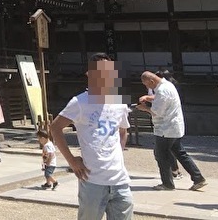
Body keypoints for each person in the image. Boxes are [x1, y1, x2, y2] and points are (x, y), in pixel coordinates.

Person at [49, 53, 133, 220]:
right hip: (92, 179)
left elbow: (123, 130)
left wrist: (117, 154)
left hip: (120, 179)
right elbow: (55, 127)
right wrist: (72, 161)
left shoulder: (119, 102)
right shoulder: (80, 102)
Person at [137, 70, 206, 191]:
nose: (147, 87)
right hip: (174, 127)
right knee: (180, 152)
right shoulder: (168, 85)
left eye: (147, 84)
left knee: (161, 155)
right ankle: (198, 177)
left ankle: (167, 184)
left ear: (152, 81)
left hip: (165, 129)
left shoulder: (162, 90)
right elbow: (162, 99)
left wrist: (144, 108)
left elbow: (157, 112)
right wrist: (149, 98)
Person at [155, 70, 181, 180]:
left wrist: (146, 108)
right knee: (177, 150)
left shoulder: (164, 88)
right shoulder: (170, 86)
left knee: (162, 152)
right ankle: (197, 177)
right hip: (174, 124)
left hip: (167, 124)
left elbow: (159, 110)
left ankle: (169, 179)